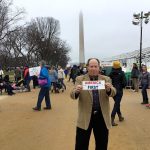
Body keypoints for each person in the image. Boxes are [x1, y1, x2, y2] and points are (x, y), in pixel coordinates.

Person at [70, 58, 116, 150]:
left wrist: (109, 89)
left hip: (101, 116)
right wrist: (77, 91)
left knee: (102, 144)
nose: (93, 68)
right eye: (91, 66)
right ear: (87, 67)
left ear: (99, 67)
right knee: (81, 144)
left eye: (95, 66)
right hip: (85, 116)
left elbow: (114, 92)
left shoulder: (106, 79)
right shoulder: (80, 79)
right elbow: (72, 95)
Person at [109, 61, 126, 126]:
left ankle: (120, 117)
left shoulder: (110, 73)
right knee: (116, 104)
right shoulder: (122, 73)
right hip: (119, 90)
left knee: (117, 103)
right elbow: (124, 83)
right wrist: (121, 86)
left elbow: (108, 81)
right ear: (119, 66)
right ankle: (112, 119)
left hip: (113, 90)